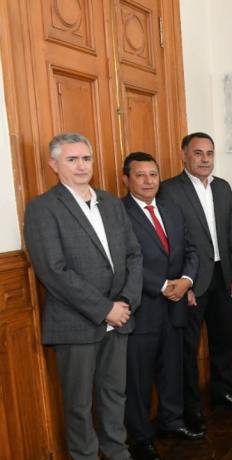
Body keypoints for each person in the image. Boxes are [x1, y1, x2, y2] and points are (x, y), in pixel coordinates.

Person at [24, 133, 142, 460]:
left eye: (86, 158)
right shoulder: (43, 208)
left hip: (119, 319)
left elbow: (134, 255)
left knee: (114, 396)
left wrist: (125, 304)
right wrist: (105, 309)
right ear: (54, 165)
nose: (81, 166)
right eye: (72, 159)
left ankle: (118, 454)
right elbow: (53, 270)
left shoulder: (112, 203)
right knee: (78, 405)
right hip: (75, 323)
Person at [159, 132, 232, 434]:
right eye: (198, 153)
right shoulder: (170, 190)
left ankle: (222, 393)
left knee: (224, 340)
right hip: (192, 283)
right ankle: (192, 407)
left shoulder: (223, 188)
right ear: (184, 155)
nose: (204, 159)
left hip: (223, 278)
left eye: (209, 153)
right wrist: (183, 284)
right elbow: (170, 244)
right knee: (188, 349)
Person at [121, 152, 202, 459]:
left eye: (153, 174)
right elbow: (125, 262)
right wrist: (163, 285)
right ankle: (141, 437)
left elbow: (192, 250)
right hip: (143, 310)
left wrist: (186, 280)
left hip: (176, 306)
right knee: (139, 379)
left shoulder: (171, 208)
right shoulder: (119, 212)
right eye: (140, 175)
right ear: (126, 179)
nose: (148, 181)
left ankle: (172, 422)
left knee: (172, 371)